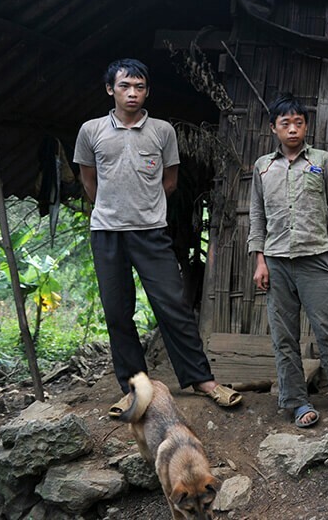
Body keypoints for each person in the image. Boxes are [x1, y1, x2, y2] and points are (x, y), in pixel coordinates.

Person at [75, 59, 242, 417]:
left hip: (151, 232)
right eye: (124, 86)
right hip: (107, 233)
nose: (132, 93)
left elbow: (170, 182)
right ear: (110, 89)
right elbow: (89, 181)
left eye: (139, 87)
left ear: (147, 91)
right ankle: (134, 387)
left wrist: (142, 210)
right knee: (118, 312)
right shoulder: (91, 131)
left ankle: (202, 380)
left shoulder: (162, 131)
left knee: (173, 305)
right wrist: (112, 208)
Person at [248, 93, 328, 427]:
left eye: (298, 123)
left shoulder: (322, 161)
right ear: (274, 128)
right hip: (275, 260)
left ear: (306, 126)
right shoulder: (263, 166)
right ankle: (297, 401)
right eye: (285, 123)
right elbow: (257, 217)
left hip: (316, 258)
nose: (292, 129)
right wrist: (259, 260)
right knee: (284, 336)